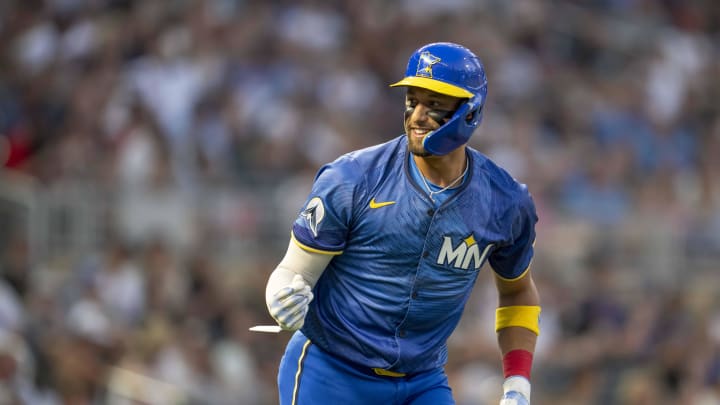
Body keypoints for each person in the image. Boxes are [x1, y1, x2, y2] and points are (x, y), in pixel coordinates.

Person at [264, 42, 541, 405]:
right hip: (332, 372)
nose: (417, 116)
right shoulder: (353, 178)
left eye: (435, 105)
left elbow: (518, 291)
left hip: (422, 381)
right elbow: (293, 271)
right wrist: (281, 299)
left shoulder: (505, 202)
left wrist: (517, 384)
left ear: (471, 111)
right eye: (413, 100)